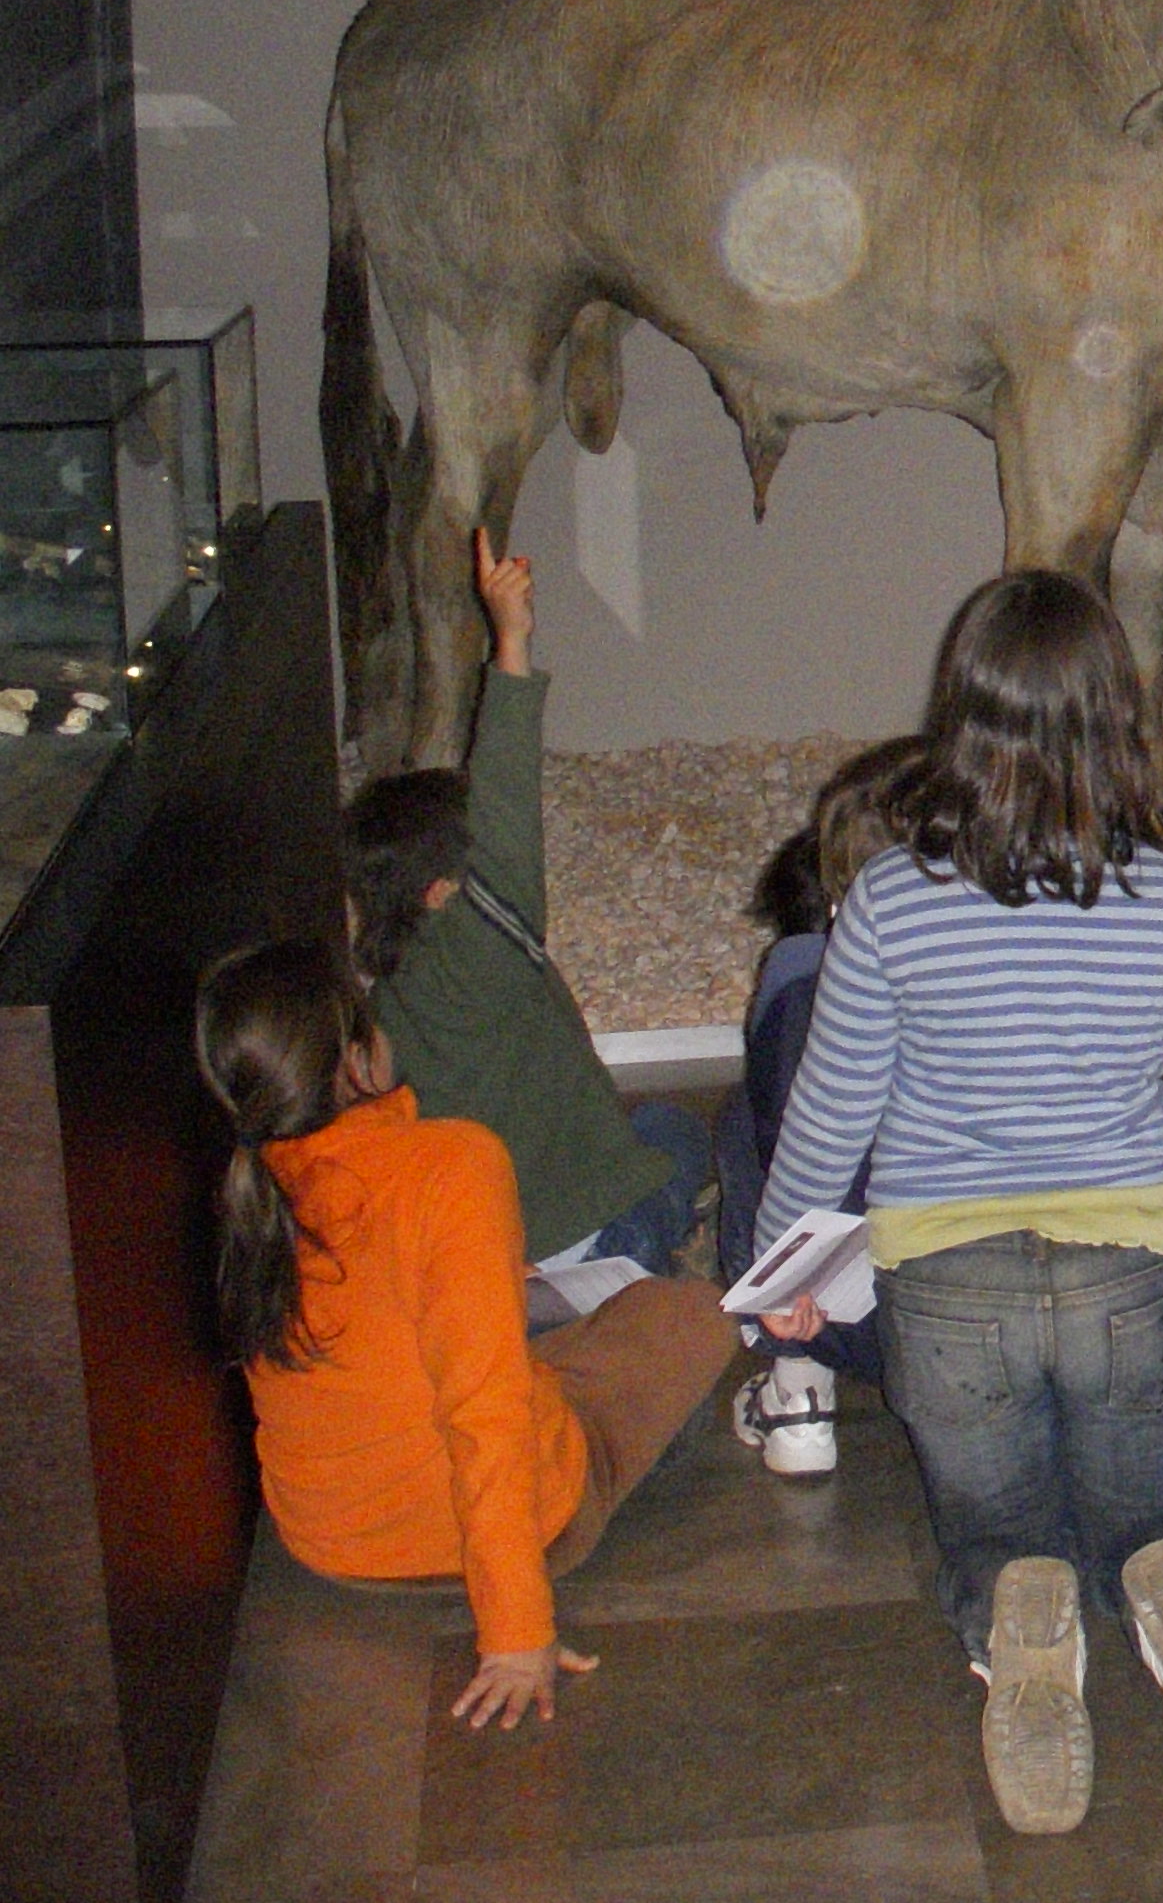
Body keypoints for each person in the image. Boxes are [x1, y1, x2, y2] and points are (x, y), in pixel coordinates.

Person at [756, 570, 1163, 1829]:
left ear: (964, 718)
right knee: (1151, 1501)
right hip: (1127, 1272)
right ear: (1120, 718)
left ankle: (1019, 1613)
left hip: (946, 1286)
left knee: (995, 1522)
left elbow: (830, 1108)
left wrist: (786, 1278)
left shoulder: (889, 901)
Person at [201, 938, 739, 1734]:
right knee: (694, 1314)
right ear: (358, 1063)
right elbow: (482, 1413)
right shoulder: (452, 1163)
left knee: (537, 1329)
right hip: (492, 1530)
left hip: (331, 1545)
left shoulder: (254, 1185)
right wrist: (517, 1633)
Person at [343, 529, 704, 1274]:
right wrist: (511, 639)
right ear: (442, 890)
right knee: (679, 1132)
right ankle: (635, 1274)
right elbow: (507, 795)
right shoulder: (478, 951)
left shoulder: (381, 1006)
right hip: (593, 1235)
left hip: (493, 1253)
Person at [713, 735, 922, 1475]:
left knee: (748, 1124)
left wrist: (781, 1283)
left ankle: (795, 1380)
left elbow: (797, 1146)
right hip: (1041, 1306)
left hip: (880, 1320)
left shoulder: (810, 980)